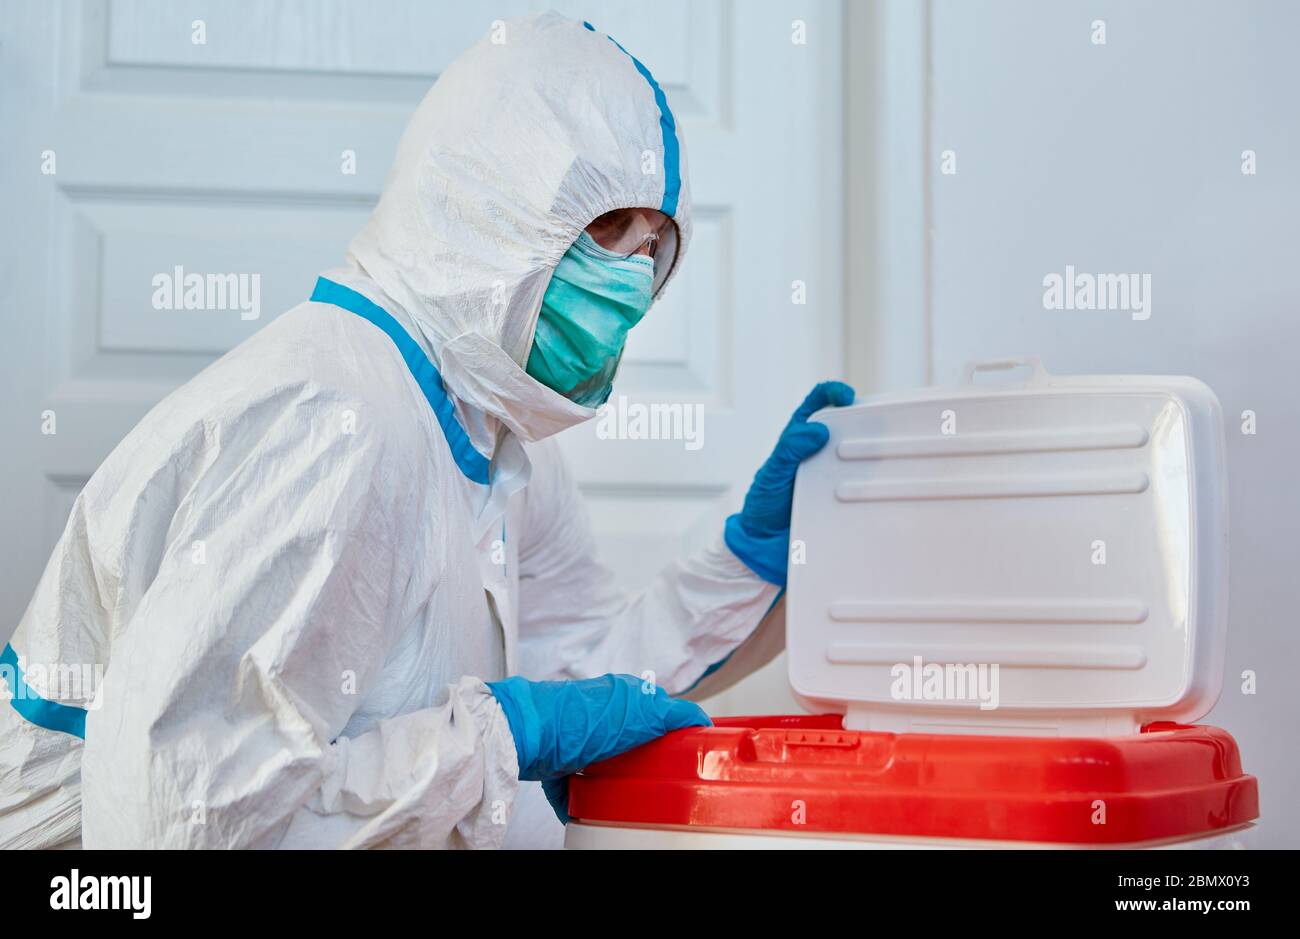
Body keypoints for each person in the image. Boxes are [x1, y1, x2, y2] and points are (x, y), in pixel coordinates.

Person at [0, 12, 853, 849]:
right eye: (604, 227)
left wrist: (744, 563)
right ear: (489, 198)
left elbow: (587, 688)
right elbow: (181, 822)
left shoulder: (497, 434)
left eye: (652, 247)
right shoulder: (329, 420)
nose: (628, 280)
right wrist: (497, 739)